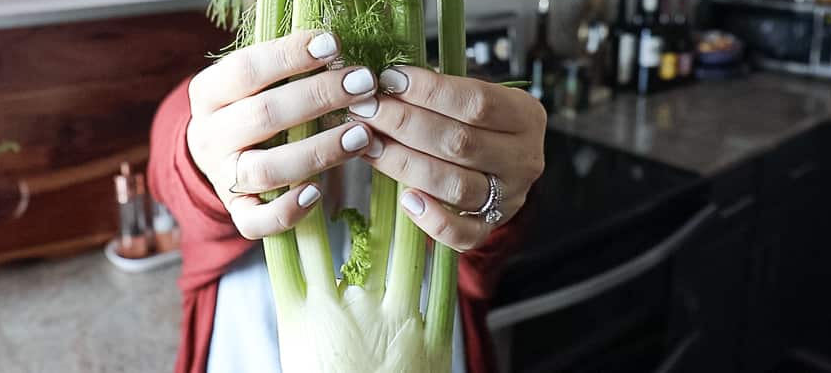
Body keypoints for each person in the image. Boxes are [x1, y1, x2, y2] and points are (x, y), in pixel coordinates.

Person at [148, 29, 548, 372]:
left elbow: (484, 257)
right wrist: (207, 160)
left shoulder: (442, 99)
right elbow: (173, 153)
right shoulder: (225, 104)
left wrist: (494, 196)